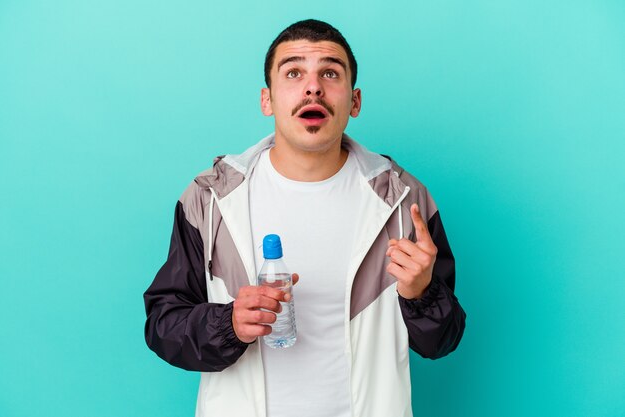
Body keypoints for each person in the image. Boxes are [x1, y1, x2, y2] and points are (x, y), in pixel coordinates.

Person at [144, 19, 466, 417]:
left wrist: (421, 294)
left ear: (354, 101)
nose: (312, 87)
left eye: (330, 73)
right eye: (293, 72)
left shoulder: (403, 200)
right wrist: (229, 324)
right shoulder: (210, 199)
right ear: (267, 100)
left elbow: (443, 341)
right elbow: (163, 324)